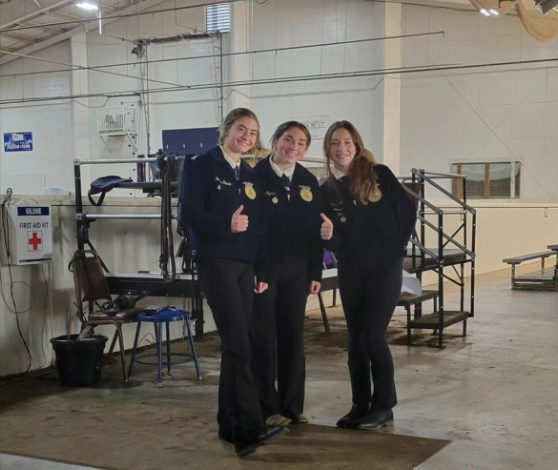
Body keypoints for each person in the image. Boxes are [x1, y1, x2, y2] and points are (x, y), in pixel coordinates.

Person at [180, 108, 288, 457]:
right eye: (241, 129)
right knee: (238, 345)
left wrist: (262, 271)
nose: (247, 136)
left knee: (237, 346)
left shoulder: (249, 174)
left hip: (245, 268)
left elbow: (259, 229)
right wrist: (224, 224)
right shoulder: (202, 165)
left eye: (254, 132)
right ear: (225, 130)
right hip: (216, 262)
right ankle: (247, 431)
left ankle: (229, 425)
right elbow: (188, 216)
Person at [319, 120, 416, 431]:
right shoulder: (329, 189)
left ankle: (384, 405)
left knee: (373, 337)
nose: (341, 148)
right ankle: (360, 404)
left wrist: (398, 247)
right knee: (355, 340)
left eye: (347, 142)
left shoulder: (378, 174)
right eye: (335, 143)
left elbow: (407, 209)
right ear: (328, 150)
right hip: (352, 268)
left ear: (356, 145)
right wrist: (329, 237)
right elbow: (333, 238)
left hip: (385, 267)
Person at [249, 121, 332, 428]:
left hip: (298, 272)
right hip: (265, 272)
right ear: (275, 140)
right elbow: (253, 232)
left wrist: (315, 272)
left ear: (305, 149)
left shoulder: (309, 181)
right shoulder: (255, 177)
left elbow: (316, 231)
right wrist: (258, 271)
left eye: (300, 143)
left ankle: (292, 406)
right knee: (263, 339)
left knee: (292, 339)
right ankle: (266, 407)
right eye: (288, 140)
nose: (293, 147)